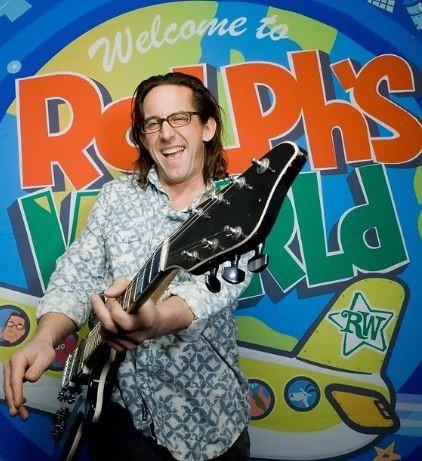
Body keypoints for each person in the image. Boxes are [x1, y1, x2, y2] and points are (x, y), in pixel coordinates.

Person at [3, 72, 252, 460]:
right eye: (153, 123)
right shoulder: (117, 197)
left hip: (210, 425)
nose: (166, 134)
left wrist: (154, 321)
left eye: (180, 118)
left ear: (208, 126)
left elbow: (206, 293)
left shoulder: (240, 211)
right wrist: (43, 338)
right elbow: (78, 273)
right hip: (118, 414)